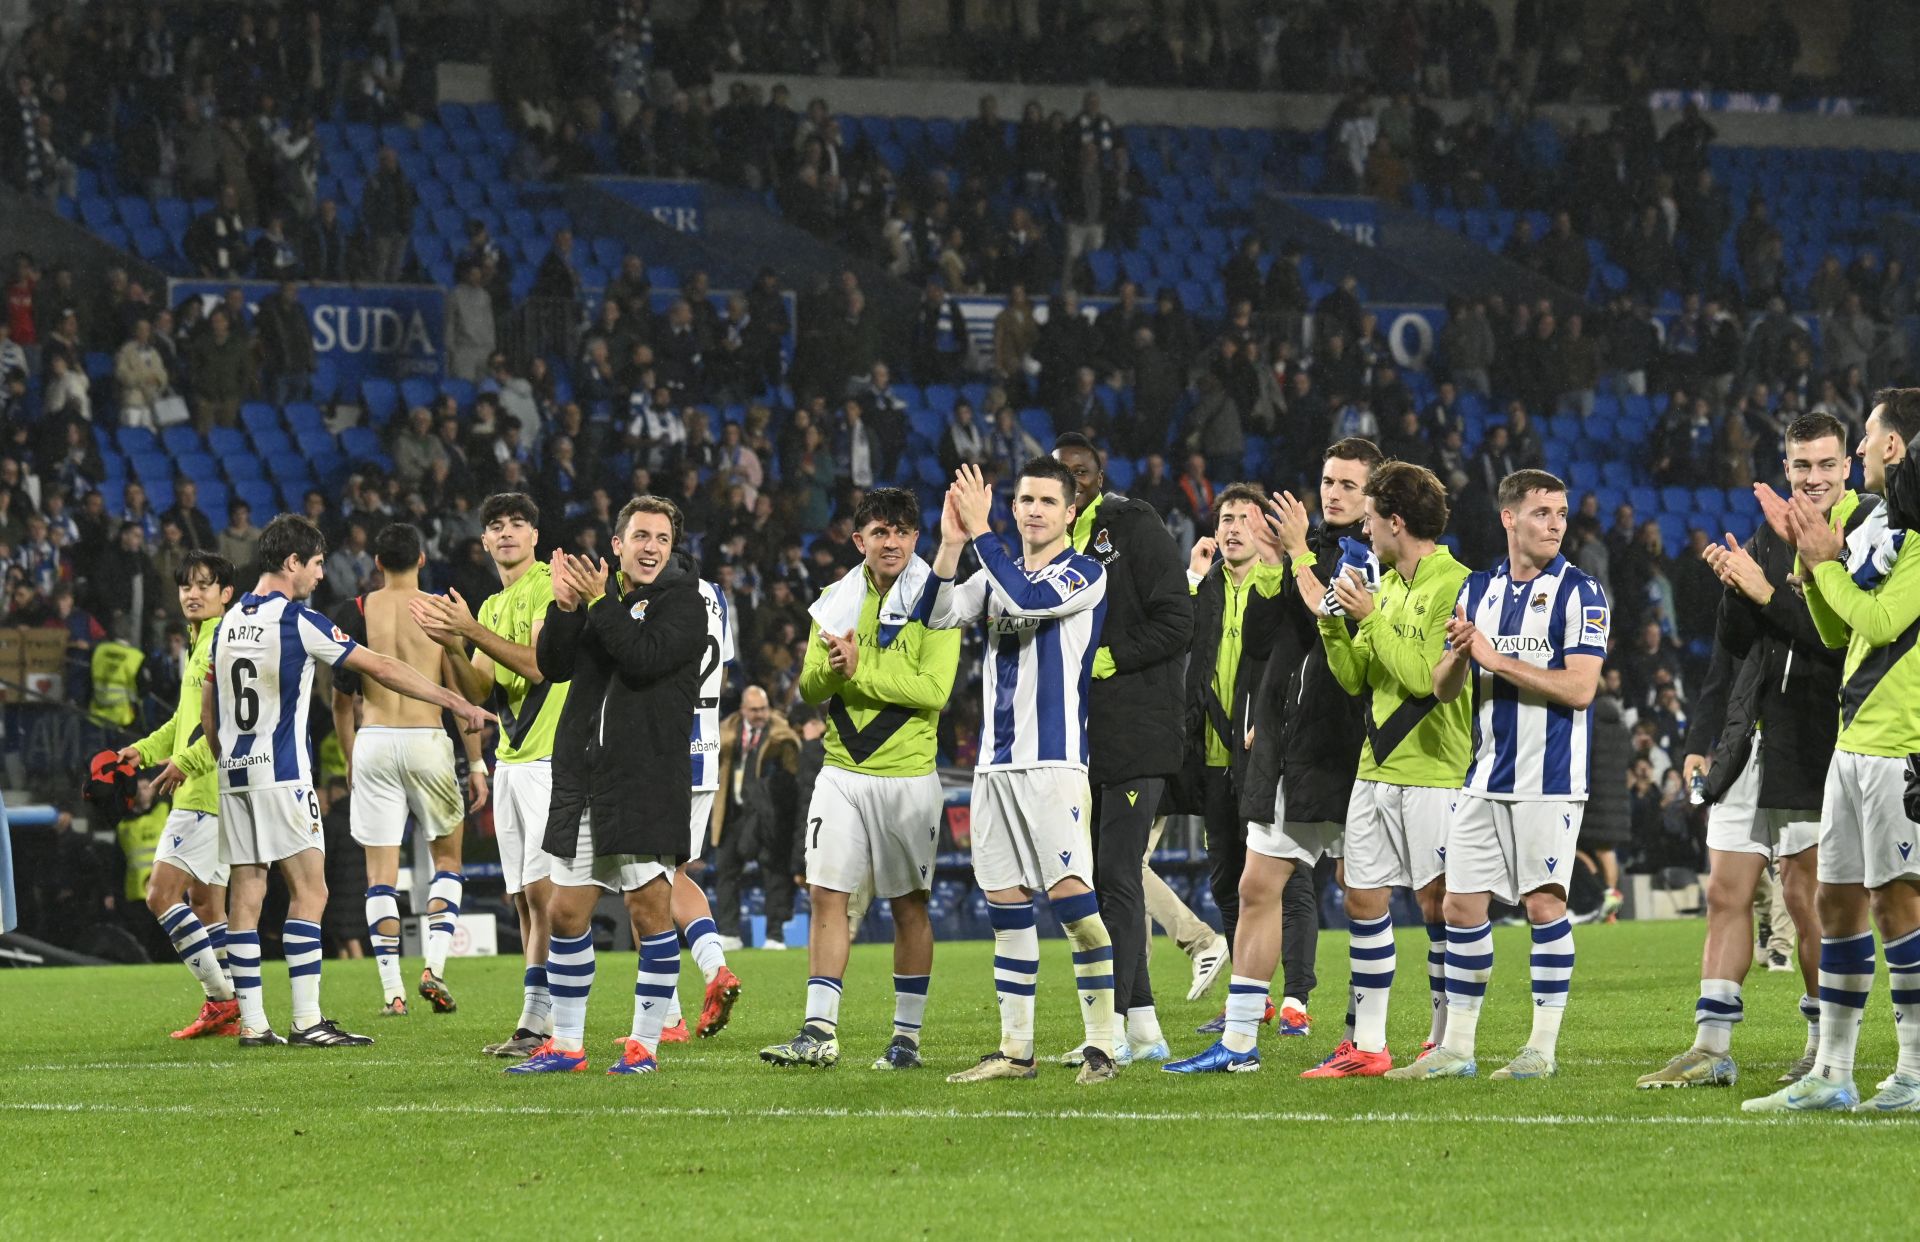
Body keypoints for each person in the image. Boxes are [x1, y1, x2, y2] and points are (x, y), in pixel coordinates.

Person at [1638, 414, 1872, 1091]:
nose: (1814, 478)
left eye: (1826, 465)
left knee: (1810, 900)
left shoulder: (1862, 538)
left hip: (1818, 743)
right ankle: (1711, 1047)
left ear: (1846, 468)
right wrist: (1697, 740)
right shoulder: (1769, 539)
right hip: (1749, 744)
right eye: (1801, 466)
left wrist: (1765, 591)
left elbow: (1841, 645)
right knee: (1725, 891)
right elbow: (1731, 655)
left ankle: (1824, 1049)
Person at [207, 515, 491, 1048]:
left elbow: (210, 712)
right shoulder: (297, 620)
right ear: (292, 563)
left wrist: (227, 760)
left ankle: (253, 1023)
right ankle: (308, 1020)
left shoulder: (226, 623)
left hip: (234, 776)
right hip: (284, 775)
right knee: (310, 891)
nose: (319, 576)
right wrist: (454, 700)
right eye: (315, 565)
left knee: (245, 893)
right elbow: (379, 667)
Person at [1165, 437, 1383, 1073]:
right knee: (1257, 884)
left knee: (1367, 894)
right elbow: (1265, 638)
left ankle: (1373, 1037)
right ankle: (1238, 1045)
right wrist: (1273, 561)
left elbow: (1330, 619)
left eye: (1349, 485)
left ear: (1374, 494)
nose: (1334, 493)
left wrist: (1294, 556)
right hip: (1297, 749)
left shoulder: (1373, 557)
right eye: (1328, 481)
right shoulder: (1304, 547)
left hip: (1357, 752)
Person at [1387, 469, 1607, 1082]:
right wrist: (1459, 654)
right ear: (1508, 518)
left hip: (1550, 779)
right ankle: (1457, 1048)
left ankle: (1541, 1049)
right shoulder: (1477, 589)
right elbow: (1442, 685)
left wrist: (1494, 657)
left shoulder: (1581, 593)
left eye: (1561, 512)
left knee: (1542, 906)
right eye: (1541, 512)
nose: (1556, 523)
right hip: (1483, 775)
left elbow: (1581, 689)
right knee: (1459, 906)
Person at [1744, 389, 1920, 1113]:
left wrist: (1825, 563)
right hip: (1852, 743)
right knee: (1837, 902)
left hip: (1898, 746)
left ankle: (1911, 1072)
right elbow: (1836, 630)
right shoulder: (1888, 529)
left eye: (1871, 432)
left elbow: (1877, 621)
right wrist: (1813, 564)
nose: (1861, 449)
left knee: (1898, 908)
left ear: (1893, 448)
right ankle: (1834, 1073)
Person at [925, 460, 1119, 1084]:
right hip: (994, 766)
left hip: (1054, 764)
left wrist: (982, 533)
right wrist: (953, 544)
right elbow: (936, 614)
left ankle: (1102, 1046)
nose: (1032, 509)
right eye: (1023, 500)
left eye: (1045, 501)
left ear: (1069, 513)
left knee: (1073, 904)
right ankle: (1016, 1050)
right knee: (1005, 903)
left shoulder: (1084, 573)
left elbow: (1027, 600)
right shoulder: (995, 572)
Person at [760, 487, 961, 1070]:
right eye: (879, 532)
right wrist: (834, 670)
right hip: (842, 772)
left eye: (901, 531)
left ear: (916, 538)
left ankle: (906, 1039)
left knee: (908, 906)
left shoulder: (937, 598)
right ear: (859, 541)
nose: (891, 541)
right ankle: (818, 1031)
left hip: (907, 776)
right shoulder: (835, 598)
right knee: (826, 893)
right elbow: (808, 688)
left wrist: (859, 669)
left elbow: (935, 691)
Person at [508, 497, 705, 1075]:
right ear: (617, 544)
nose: (651, 547)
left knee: (650, 912)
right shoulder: (602, 600)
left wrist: (599, 603)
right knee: (565, 913)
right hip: (584, 780)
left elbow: (642, 659)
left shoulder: (685, 605)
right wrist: (567, 608)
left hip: (644, 780)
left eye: (662, 539)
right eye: (640, 536)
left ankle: (644, 1047)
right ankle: (567, 1046)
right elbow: (556, 665)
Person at [1300, 462, 1473, 1079]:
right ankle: (1368, 1044)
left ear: (1395, 521)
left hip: (1434, 771)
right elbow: (1359, 678)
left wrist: (1369, 616)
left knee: (1439, 906)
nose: (1363, 528)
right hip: (1374, 769)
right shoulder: (1388, 586)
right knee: (1362, 897)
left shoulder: (1456, 584)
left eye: (1371, 517)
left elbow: (1426, 677)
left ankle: (1444, 1038)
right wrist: (1332, 626)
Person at [1050, 434, 1192, 1066]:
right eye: (1062, 476)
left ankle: (1131, 1028)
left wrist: (1109, 657)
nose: (1073, 485)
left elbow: (1177, 621)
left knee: (1115, 876)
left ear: (1099, 475)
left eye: (1081, 473)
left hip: (1138, 731)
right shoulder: (1051, 545)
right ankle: (1139, 1029)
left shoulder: (1133, 526)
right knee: (1106, 882)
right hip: (1084, 740)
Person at [415, 493, 568, 1058]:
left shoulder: (550, 586)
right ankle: (533, 1019)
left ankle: (548, 1020)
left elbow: (540, 665)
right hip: (512, 760)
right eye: (496, 526)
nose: (506, 533)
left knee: (547, 893)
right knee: (525, 899)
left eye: (518, 524)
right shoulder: (491, 606)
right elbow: (480, 691)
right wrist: (452, 645)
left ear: (535, 535)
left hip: (552, 760)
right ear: (483, 541)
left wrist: (470, 634)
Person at [330, 523, 484, 1016]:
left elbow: (340, 700)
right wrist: (477, 762)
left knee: (380, 873)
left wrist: (350, 756)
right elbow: (461, 694)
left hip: (373, 741)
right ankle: (433, 969)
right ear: (422, 560)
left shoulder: (356, 612)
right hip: (427, 740)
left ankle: (393, 994)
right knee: (448, 861)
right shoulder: (441, 611)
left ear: (376, 563)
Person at [1172, 482, 1288, 1026]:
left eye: (1245, 517)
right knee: (1225, 876)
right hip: (1213, 755)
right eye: (1225, 519)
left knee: (1276, 877)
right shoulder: (1207, 587)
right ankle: (1251, 995)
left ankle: (1296, 998)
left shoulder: (1280, 584)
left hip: (1262, 752)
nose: (1233, 527)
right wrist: (1193, 577)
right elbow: (1176, 641)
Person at [120, 551, 236, 1039]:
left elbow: (224, 726)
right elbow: (183, 722)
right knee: (207, 904)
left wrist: (182, 764)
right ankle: (235, 1008)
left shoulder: (220, 645)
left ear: (225, 594)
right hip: (216, 793)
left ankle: (222, 1001)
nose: (193, 594)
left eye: (205, 586)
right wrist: (140, 751)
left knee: (160, 894)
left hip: (203, 793)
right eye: (187, 586)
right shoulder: (202, 641)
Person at [708, 686, 803, 950]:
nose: (760, 714)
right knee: (726, 873)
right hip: (731, 814)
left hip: (766, 817)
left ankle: (775, 935)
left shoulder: (780, 734)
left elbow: (793, 768)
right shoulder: (727, 731)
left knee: (774, 873)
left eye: (763, 709)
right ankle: (729, 933)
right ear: (743, 709)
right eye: (754, 709)